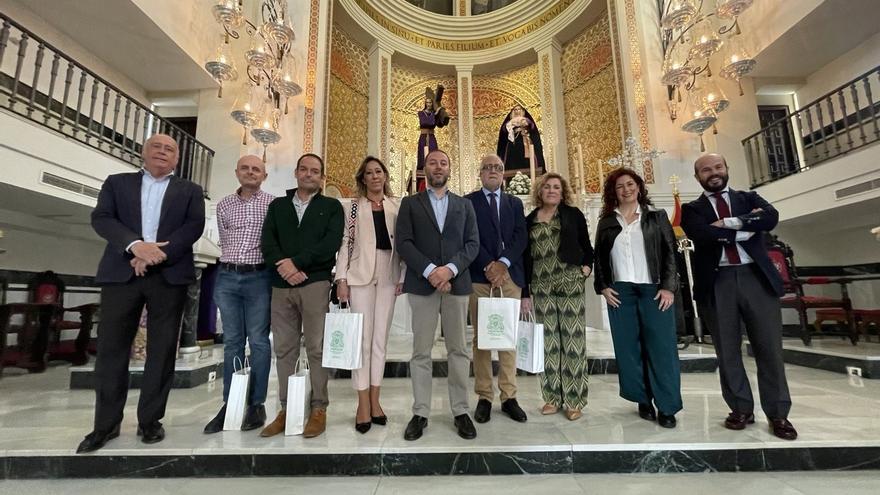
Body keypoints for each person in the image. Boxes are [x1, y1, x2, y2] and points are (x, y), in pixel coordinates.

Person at [77, 134, 205, 453]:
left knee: (161, 352)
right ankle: (105, 425)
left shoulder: (189, 190)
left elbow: (193, 227)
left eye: (170, 149)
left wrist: (156, 254)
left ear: (177, 159)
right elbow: (103, 218)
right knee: (111, 350)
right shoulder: (117, 183)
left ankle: (150, 421)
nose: (163, 152)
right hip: (122, 272)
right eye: (156, 147)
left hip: (168, 275)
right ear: (143, 153)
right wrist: (136, 246)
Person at [681, 153, 797, 441]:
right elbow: (702, 235)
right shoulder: (692, 208)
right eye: (706, 170)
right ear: (698, 177)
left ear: (726, 169)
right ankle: (741, 408)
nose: (713, 173)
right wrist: (746, 228)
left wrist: (729, 223)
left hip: (755, 277)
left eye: (718, 167)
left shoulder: (749, 198)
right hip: (718, 281)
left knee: (769, 348)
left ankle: (778, 412)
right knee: (727, 350)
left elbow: (769, 219)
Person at [396, 149, 479, 441]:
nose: (438, 167)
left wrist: (450, 270)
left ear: (450, 168)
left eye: (443, 162)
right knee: (421, 351)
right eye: (433, 162)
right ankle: (420, 412)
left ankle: (460, 411)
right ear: (425, 169)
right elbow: (404, 243)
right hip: (422, 285)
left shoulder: (464, 205)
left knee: (459, 350)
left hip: (457, 286)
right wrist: (432, 270)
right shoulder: (410, 203)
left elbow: (472, 244)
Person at [259, 153, 344, 439]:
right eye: (304, 169)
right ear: (296, 173)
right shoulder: (278, 206)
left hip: (315, 283)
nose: (309, 174)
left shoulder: (331, 207)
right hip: (281, 285)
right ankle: (287, 409)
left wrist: (297, 263)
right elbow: (268, 242)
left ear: (322, 177)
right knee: (284, 349)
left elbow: (330, 243)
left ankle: (319, 408)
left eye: (315, 171)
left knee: (317, 348)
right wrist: (284, 267)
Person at [593, 168, 682, 428]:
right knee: (628, 350)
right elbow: (599, 256)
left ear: (639, 187)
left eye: (630, 184)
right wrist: (603, 286)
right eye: (620, 186)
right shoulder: (608, 221)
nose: (626, 189)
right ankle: (643, 399)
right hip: (621, 293)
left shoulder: (656, 217)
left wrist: (668, 287)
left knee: (662, 350)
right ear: (614, 192)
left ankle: (667, 406)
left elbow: (669, 253)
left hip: (653, 291)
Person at [203, 155, 275, 434]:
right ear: (237, 172)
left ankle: (256, 403)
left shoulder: (272, 204)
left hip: (259, 276)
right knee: (232, 341)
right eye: (245, 167)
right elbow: (225, 238)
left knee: (258, 341)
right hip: (228, 276)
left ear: (264, 176)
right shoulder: (223, 205)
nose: (250, 172)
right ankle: (230, 403)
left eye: (256, 169)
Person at [334, 156, 405, 434]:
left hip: (388, 275)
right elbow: (345, 243)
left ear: (385, 176)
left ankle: (376, 400)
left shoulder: (396, 206)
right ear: (363, 179)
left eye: (379, 171)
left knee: (379, 341)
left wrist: (402, 277)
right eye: (369, 173)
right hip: (360, 276)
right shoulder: (353, 207)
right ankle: (362, 403)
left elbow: (403, 245)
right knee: (361, 341)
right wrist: (341, 278)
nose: (375, 176)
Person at [521, 172, 592, 421]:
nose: (552, 191)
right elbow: (524, 258)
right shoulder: (529, 220)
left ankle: (574, 400)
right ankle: (551, 397)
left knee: (573, 340)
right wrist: (525, 291)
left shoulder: (573, 215)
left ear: (563, 193)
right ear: (540, 192)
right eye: (547, 187)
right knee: (549, 343)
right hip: (541, 286)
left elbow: (587, 245)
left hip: (570, 281)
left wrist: (587, 267)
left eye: (556, 188)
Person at [464, 154, 529, 424]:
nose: (493, 171)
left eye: (498, 168)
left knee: (507, 337)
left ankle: (509, 395)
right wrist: (489, 265)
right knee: (482, 339)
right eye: (488, 167)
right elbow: (468, 238)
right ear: (480, 173)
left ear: (504, 174)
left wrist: (502, 264)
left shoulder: (514, 203)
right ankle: (484, 396)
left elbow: (520, 237)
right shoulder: (468, 202)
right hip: (480, 278)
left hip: (510, 277)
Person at [413, 85, 450, 192]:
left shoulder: (434, 113)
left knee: (434, 155)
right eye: (427, 103)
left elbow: (439, 124)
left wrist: (439, 113)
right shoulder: (421, 113)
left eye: (430, 103)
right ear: (425, 103)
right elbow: (426, 122)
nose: (429, 104)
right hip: (424, 137)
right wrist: (436, 113)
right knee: (422, 158)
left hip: (432, 137)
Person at [496, 104, 545, 175]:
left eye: (519, 109)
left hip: (526, 144)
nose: (517, 111)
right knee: (511, 162)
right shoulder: (509, 123)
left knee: (528, 162)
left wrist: (526, 123)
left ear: (522, 110)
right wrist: (510, 124)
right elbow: (503, 132)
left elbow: (533, 128)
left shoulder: (527, 120)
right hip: (512, 146)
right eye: (515, 110)